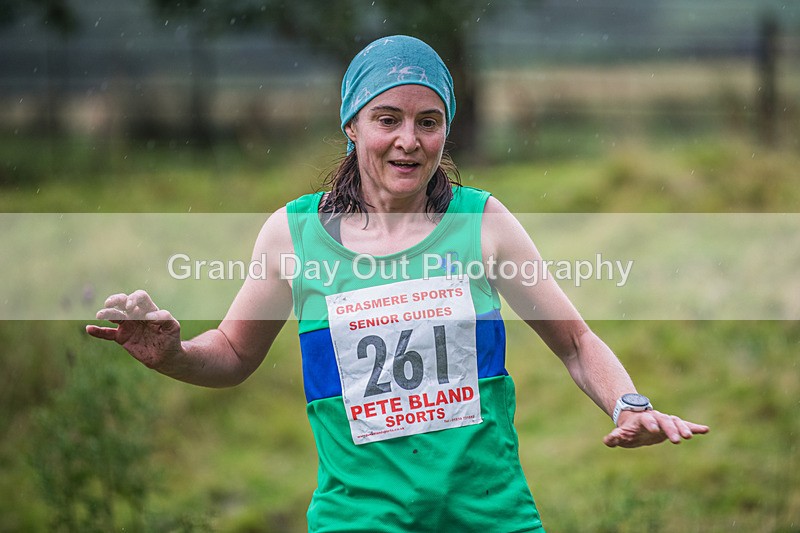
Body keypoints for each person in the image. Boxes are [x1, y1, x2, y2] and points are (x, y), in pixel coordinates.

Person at [87, 35, 708, 532]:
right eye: (388, 119)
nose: (408, 141)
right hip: (357, 520)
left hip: (489, 517)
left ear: (445, 130)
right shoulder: (293, 236)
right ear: (352, 125)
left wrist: (629, 404)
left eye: (428, 122)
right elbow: (231, 353)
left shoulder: (483, 223)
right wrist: (173, 354)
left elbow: (575, 342)